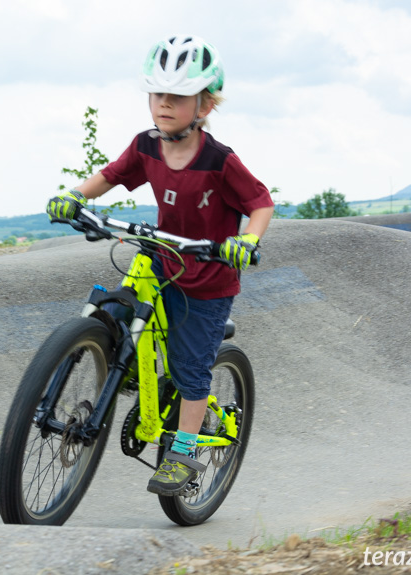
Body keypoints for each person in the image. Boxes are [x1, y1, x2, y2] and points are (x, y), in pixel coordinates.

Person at [46, 35, 274, 496]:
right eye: (158, 94)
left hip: (208, 280)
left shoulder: (219, 161)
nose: (164, 104)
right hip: (162, 260)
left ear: (205, 104)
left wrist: (245, 241)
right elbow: (111, 175)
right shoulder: (146, 146)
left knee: (191, 370)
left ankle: (185, 450)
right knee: (111, 309)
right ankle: (112, 358)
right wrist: (75, 195)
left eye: (178, 96)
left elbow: (260, 203)